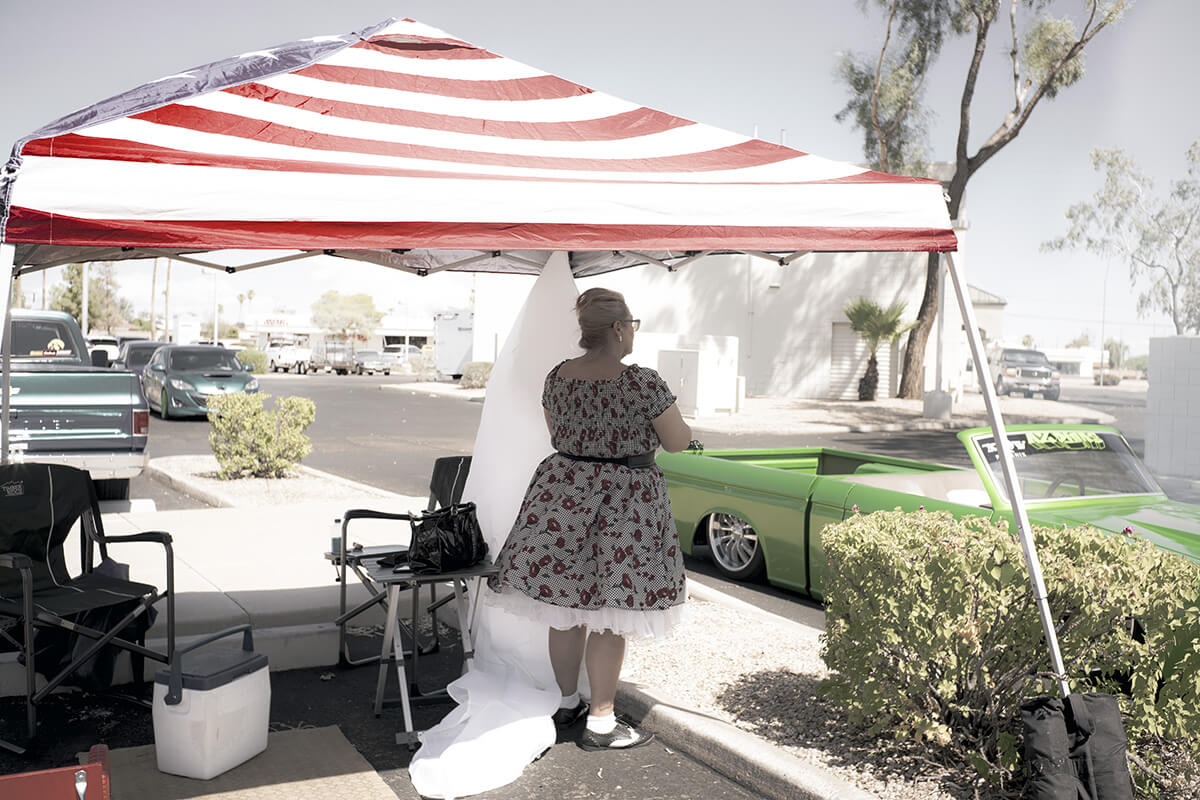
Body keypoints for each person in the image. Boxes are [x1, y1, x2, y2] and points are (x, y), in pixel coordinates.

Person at [488, 287, 693, 751]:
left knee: (565, 609)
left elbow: (557, 431)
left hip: (562, 494)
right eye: (632, 325)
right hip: (626, 502)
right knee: (609, 613)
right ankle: (601, 723)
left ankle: (567, 704)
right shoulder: (642, 382)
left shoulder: (558, 376)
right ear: (620, 329)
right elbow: (679, 441)